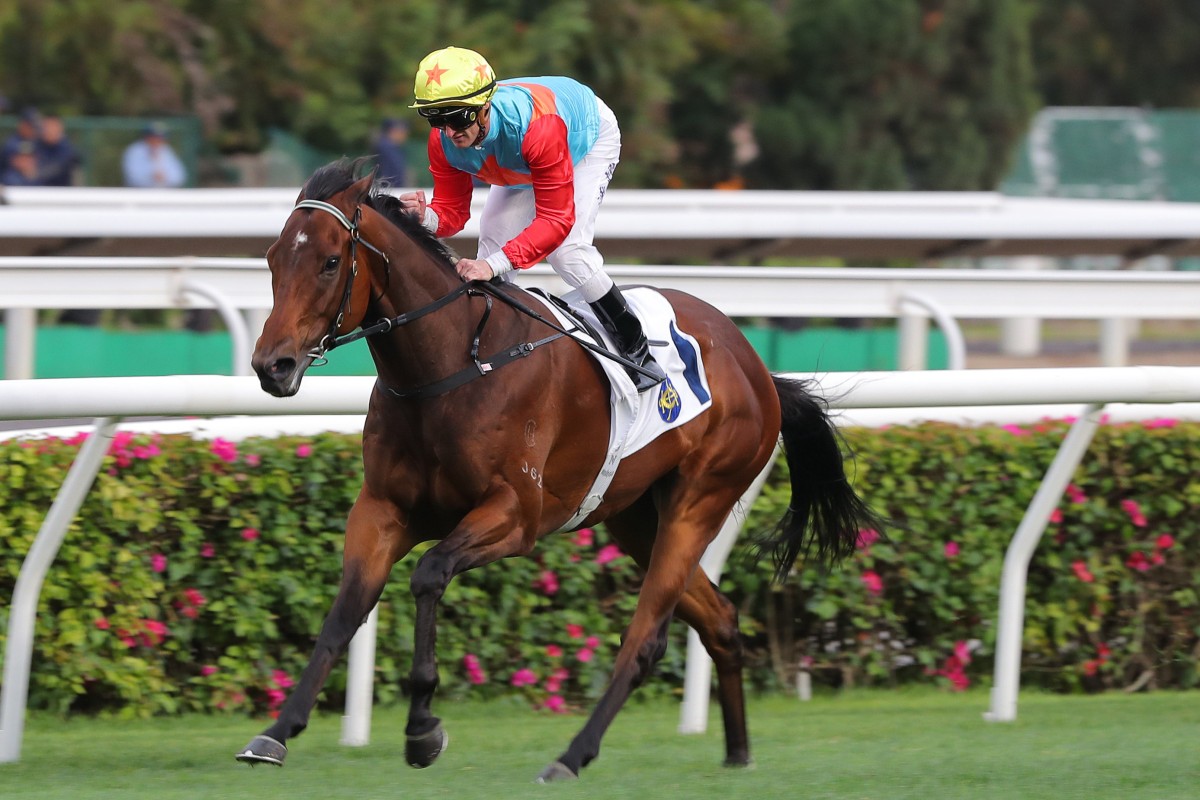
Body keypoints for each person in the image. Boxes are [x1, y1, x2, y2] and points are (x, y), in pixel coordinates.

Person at [399, 46, 665, 391]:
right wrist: (425, 218)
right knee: (490, 247)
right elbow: (453, 213)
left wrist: (493, 266)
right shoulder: (443, 141)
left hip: (580, 138)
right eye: (437, 119)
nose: (449, 132)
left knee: (568, 253)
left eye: (458, 118)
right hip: (522, 158)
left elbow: (556, 220)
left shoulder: (539, 129)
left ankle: (637, 351)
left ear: (484, 107)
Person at [122, 121, 186, 188]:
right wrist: (151, 177)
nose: (157, 140)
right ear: (146, 137)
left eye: (160, 138)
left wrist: (166, 178)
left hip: (164, 195)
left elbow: (179, 177)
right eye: (154, 137)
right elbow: (133, 178)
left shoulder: (166, 150)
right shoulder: (134, 151)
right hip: (138, 195)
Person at [35, 114, 80, 186]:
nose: (48, 130)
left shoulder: (67, 149)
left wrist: (35, 174)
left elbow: (57, 169)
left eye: (52, 127)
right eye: (46, 127)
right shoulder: (36, 145)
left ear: (60, 129)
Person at [2, 107, 41, 177]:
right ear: (22, 124)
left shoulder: (37, 141)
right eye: (30, 126)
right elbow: (18, 163)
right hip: (13, 182)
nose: (32, 130)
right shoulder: (11, 143)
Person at [372, 117, 410, 186]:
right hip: (389, 188)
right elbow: (392, 172)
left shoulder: (390, 146)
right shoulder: (386, 147)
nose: (404, 136)